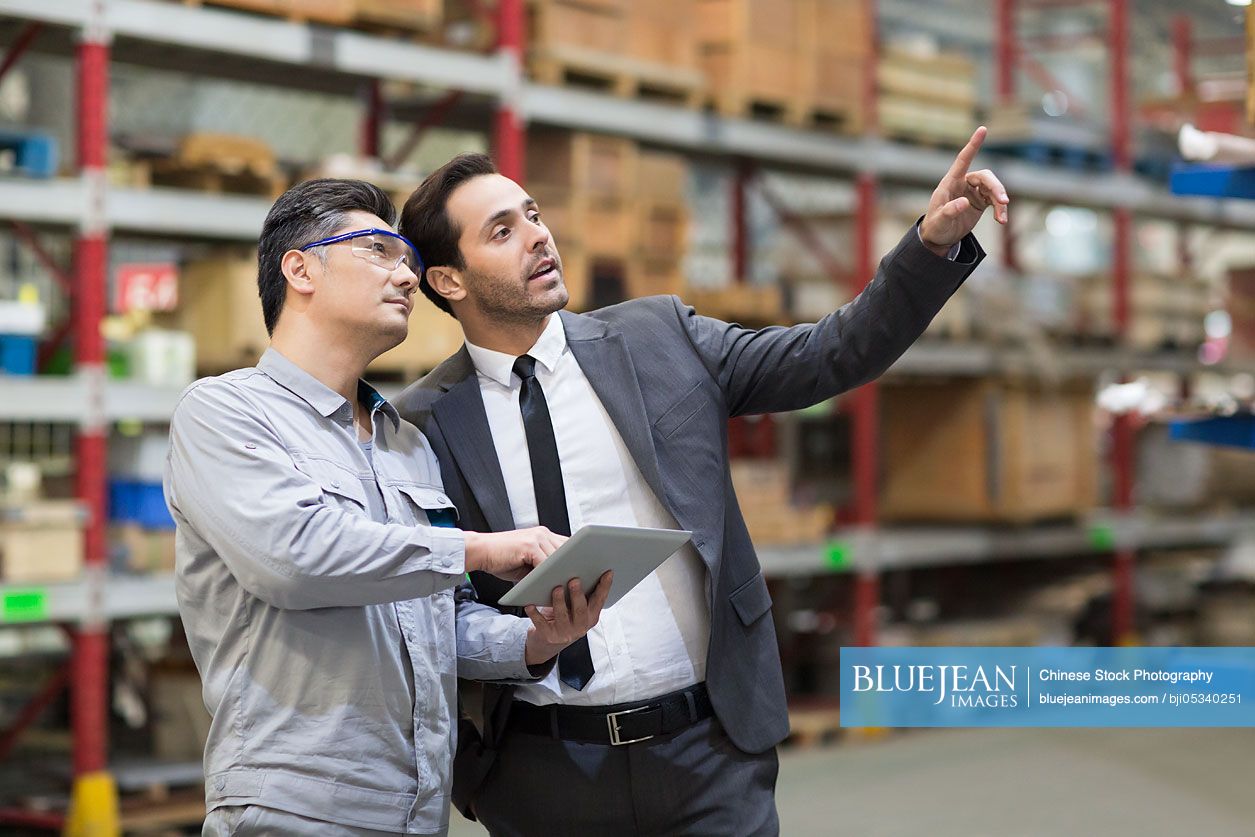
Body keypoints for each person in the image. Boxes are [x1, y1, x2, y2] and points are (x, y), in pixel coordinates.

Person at [394, 127, 1007, 836]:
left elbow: (831, 353)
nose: (537, 236)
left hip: (707, 756)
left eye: (533, 214)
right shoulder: (424, 424)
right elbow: (433, 605)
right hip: (541, 773)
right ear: (449, 281)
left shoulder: (660, 338)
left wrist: (928, 245)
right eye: (502, 230)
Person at [164, 178, 610, 837]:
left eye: (406, 258)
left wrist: (538, 638)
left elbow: (433, 617)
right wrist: (480, 548)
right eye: (379, 250)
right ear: (300, 268)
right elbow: (294, 558)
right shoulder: (225, 414)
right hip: (294, 810)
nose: (406, 274)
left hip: (415, 810)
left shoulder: (405, 444)